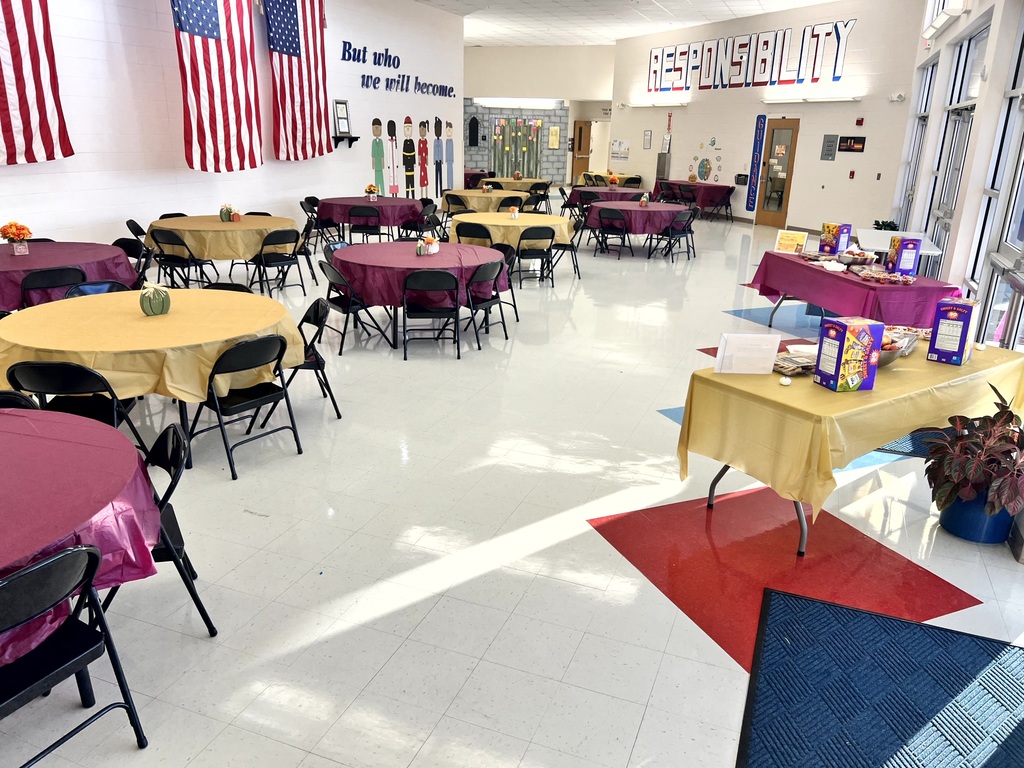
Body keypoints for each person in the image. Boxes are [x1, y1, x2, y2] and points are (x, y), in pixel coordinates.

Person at [402, 117, 416, 198]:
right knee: (407, 181)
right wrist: (404, 163)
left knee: (412, 180)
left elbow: (414, 152)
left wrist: (414, 162)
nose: (407, 129)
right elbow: (404, 153)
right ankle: (407, 196)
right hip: (407, 164)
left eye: (409, 127)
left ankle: (413, 196)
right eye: (406, 127)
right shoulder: (404, 142)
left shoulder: (412, 141)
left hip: (411, 164)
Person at [371, 118, 385, 193]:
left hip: (380, 163)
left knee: (381, 181)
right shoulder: (373, 142)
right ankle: (377, 194)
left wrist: (383, 164)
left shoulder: (381, 142)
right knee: (376, 181)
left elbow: (382, 154)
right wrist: (373, 165)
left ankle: (383, 193)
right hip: (376, 164)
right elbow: (373, 154)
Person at [417, 120, 429, 197]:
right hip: (421, 161)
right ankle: (422, 195)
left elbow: (427, 151)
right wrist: (419, 160)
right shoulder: (419, 141)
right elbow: (418, 151)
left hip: (424, 161)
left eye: (423, 129)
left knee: (426, 178)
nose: (422, 131)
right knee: (422, 178)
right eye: (420, 129)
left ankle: (427, 195)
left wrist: (427, 161)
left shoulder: (426, 141)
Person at [433, 118, 443, 197]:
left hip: (440, 161)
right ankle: (436, 193)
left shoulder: (442, 142)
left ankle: (441, 193)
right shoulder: (435, 141)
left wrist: (442, 160)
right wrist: (434, 160)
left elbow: (442, 150)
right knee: (436, 178)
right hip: (436, 161)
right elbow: (434, 151)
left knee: (441, 178)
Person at [445, 121, 454, 191]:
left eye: (450, 130)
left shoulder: (451, 141)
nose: (449, 131)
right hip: (448, 160)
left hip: (451, 160)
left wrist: (453, 159)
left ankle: (452, 188)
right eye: (447, 130)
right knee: (448, 174)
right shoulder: (446, 141)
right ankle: (448, 187)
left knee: (451, 174)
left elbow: (452, 150)